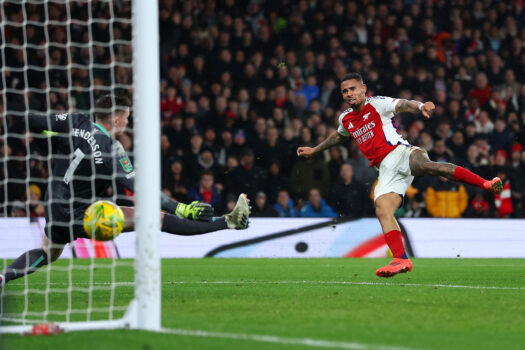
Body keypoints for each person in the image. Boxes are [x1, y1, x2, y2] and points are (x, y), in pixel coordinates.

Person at [0, 95, 250, 286]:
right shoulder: (112, 148)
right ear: (117, 120)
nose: (128, 121)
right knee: (153, 218)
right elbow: (137, 187)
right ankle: (228, 222)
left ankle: (3, 277)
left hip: (53, 204)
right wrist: (180, 207)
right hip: (80, 213)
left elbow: (33, 121)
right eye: (127, 117)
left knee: (47, 252)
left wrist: (40, 133)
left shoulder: (74, 120)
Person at [297, 73, 502, 278]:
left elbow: (404, 104)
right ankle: (401, 259)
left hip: (400, 152)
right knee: (382, 209)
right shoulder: (346, 119)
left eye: (353, 89)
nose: (350, 94)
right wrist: (315, 150)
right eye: (345, 91)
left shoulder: (378, 104)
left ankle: (486, 183)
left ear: (363, 89)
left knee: (429, 166)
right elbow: (338, 136)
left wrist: (421, 107)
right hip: (385, 170)